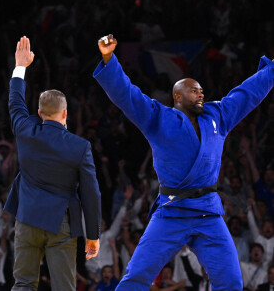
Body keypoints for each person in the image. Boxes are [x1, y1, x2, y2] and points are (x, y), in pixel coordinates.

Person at [93, 34, 274, 290]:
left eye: (201, 90)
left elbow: (247, 94)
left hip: (208, 212)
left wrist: (272, 69)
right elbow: (127, 95)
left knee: (232, 281)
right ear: (177, 96)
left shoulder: (217, 115)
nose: (201, 93)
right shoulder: (158, 118)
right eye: (193, 90)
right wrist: (109, 59)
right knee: (136, 277)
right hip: (172, 210)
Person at [4, 36, 101, 291]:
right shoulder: (80, 147)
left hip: (27, 219)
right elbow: (91, 193)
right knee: (63, 288)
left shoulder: (25, 129)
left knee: (23, 284)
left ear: (39, 113)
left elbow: (15, 102)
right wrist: (93, 235)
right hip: (61, 224)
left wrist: (20, 66)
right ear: (66, 113)